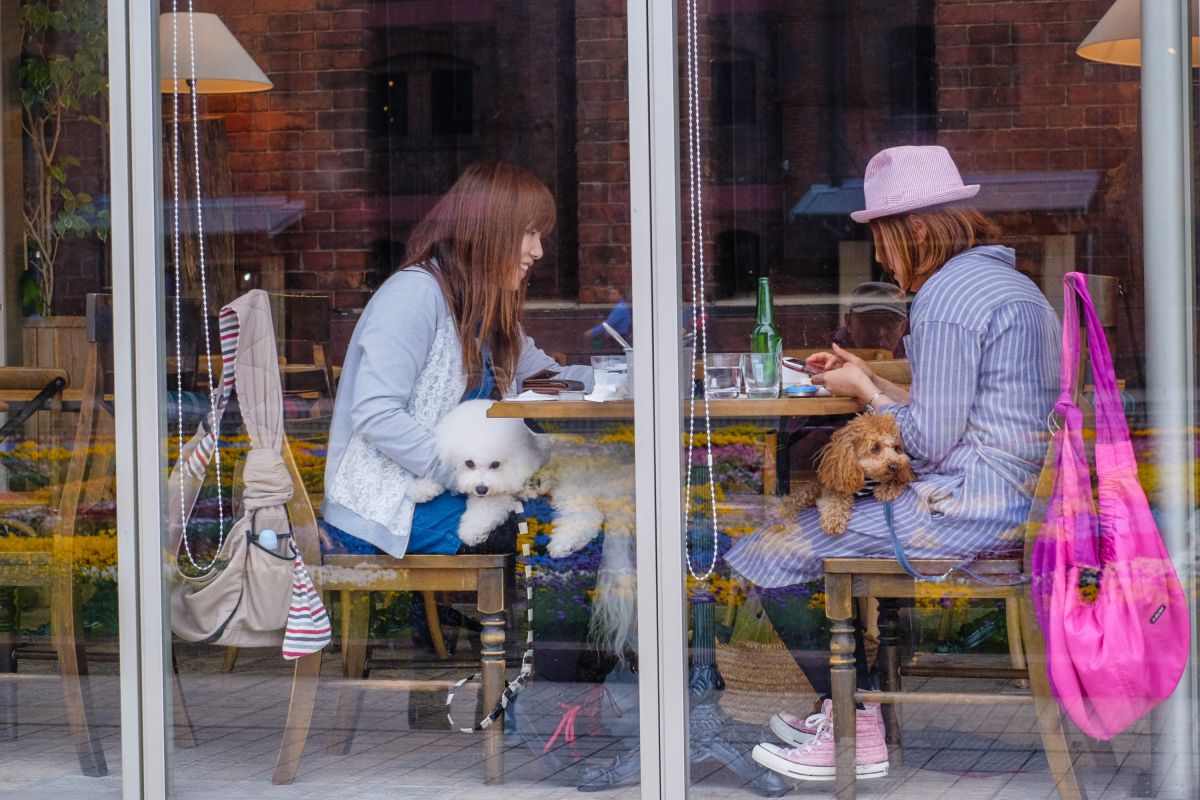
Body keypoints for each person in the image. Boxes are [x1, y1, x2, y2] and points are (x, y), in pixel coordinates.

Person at [726, 145, 1060, 781]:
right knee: (804, 532)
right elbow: (954, 414)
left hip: (965, 510)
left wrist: (865, 393)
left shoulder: (946, 300)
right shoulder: (1006, 285)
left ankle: (854, 721)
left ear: (915, 231)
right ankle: (847, 709)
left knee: (767, 548)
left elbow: (928, 443)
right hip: (1009, 497)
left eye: (881, 237)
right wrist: (868, 376)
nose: (880, 255)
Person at [322, 161, 593, 558]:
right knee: (546, 534)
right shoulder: (413, 295)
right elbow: (376, 412)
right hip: (388, 504)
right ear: (491, 231)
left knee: (580, 522)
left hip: (463, 489)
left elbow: (545, 379)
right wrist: (469, 474)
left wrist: (629, 377)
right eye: (530, 233)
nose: (538, 251)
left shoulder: (487, 309)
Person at [830, 280, 908, 357]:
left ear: (902, 328)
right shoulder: (828, 349)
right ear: (849, 322)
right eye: (869, 322)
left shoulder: (911, 354)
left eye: (889, 324)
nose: (880, 333)